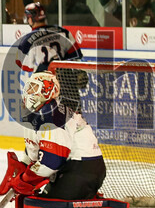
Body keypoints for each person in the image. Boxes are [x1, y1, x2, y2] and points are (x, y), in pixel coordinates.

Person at [5, 71, 105, 200]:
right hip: (73, 169)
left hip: (82, 169)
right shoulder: (40, 112)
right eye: (28, 87)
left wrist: (25, 179)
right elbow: (35, 151)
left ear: (47, 91)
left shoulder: (52, 115)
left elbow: (52, 161)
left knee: (46, 206)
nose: (28, 92)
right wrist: (22, 169)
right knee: (36, 201)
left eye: (34, 88)